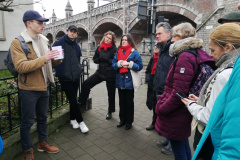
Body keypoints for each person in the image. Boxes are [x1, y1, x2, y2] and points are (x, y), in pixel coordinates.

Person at [155, 22, 215, 160]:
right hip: (183, 107)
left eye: (175, 36)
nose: (172, 40)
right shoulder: (193, 52)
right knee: (182, 143)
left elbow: (179, 91)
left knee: (178, 148)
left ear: (183, 37)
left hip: (177, 110)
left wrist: (161, 108)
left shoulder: (184, 56)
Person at [181, 23, 240, 160]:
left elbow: (209, 117)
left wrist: (191, 105)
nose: (210, 54)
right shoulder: (233, 69)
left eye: (213, 50)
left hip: (211, 137)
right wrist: (202, 101)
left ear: (227, 48)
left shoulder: (225, 75)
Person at [10, 10, 62, 160]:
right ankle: (28, 150)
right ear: (29, 23)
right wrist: (45, 58)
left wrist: (57, 58)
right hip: (29, 89)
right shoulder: (17, 42)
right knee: (26, 122)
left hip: (44, 85)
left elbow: (49, 63)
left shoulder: (44, 40)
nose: (43, 25)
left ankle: (42, 143)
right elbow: (21, 67)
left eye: (43, 22)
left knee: (42, 117)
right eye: (39, 22)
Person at [53, 25, 89, 133]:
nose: (72, 33)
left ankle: (73, 119)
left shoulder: (76, 46)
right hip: (65, 77)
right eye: (71, 31)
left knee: (73, 99)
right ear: (67, 32)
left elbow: (78, 60)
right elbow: (54, 61)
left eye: (75, 32)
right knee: (73, 99)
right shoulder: (59, 43)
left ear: (77, 34)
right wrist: (59, 72)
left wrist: (79, 69)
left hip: (75, 76)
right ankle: (81, 121)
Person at [79, 31, 117, 119]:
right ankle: (82, 103)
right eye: (106, 37)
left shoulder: (114, 49)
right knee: (86, 83)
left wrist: (106, 59)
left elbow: (114, 62)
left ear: (112, 40)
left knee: (111, 94)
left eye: (109, 38)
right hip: (100, 72)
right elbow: (95, 60)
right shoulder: (100, 47)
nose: (107, 39)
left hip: (110, 74)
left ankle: (110, 111)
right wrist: (102, 58)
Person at [112, 34, 143, 130]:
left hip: (129, 82)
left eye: (125, 40)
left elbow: (140, 66)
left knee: (129, 103)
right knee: (121, 102)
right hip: (120, 82)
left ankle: (129, 122)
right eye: (122, 40)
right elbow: (113, 65)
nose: (123, 41)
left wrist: (129, 64)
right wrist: (119, 64)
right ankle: (122, 120)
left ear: (130, 41)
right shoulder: (118, 52)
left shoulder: (134, 53)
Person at [153, 22, 174, 154]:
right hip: (160, 87)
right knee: (164, 118)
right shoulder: (162, 48)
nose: (157, 36)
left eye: (159, 33)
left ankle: (172, 145)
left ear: (168, 34)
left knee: (171, 118)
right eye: (156, 34)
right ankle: (167, 139)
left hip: (168, 90)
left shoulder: (173, 49)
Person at [145, 43, 159, 130]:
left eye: (157, 46)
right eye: (155, 46)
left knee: (159, 106)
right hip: (152, 85)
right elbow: (147, 70)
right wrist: (148, 79)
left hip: (159, 85)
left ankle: (159, 126)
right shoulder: (152, 59)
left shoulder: (162, 59)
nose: (155, 47)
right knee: (154, 105)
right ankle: (154, 123)